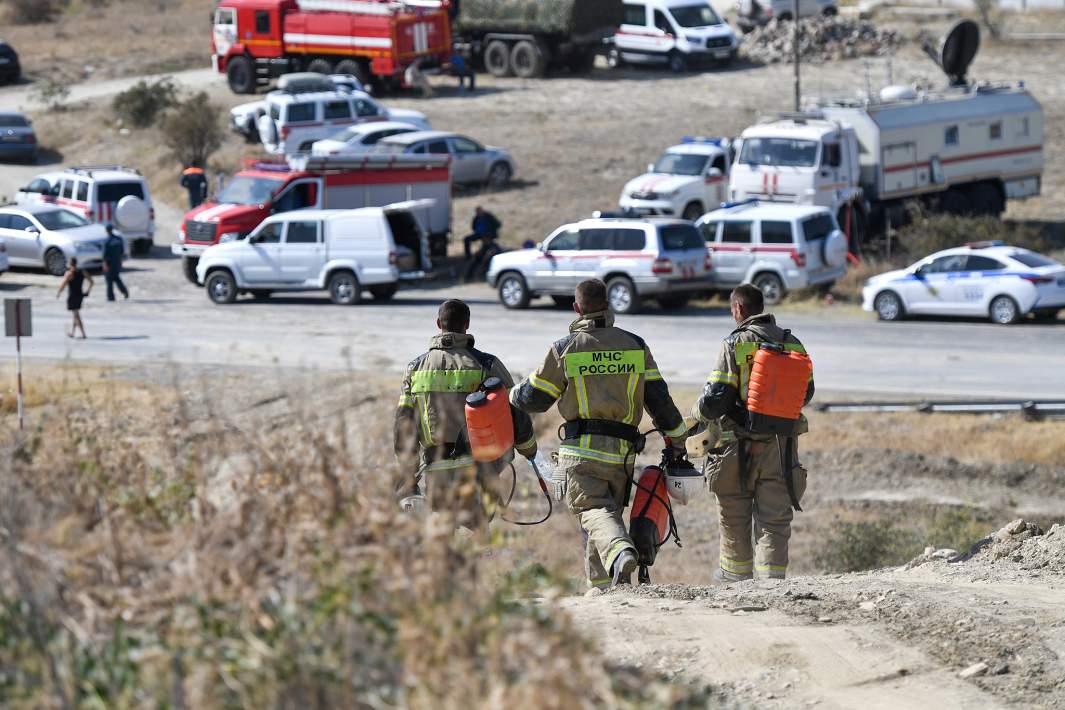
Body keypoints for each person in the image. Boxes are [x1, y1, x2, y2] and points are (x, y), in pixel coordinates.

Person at [511, 279, 689, 592]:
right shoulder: (635, 345)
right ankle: (606, 590)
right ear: (608, 305)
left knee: (592, 511)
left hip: (581, 452)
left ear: (577, 308)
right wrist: (677, 439)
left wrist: (511, 394)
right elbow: (660, 401)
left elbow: (535, 399)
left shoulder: (565, 348)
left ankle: (620, 551)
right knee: (604, 518)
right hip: (622, 455)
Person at [693, 284, 815, 582]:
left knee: (734, 517)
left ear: (738, 309)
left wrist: (697, 414)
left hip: (736, 448)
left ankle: (736, 583)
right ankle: (772, 585)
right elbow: (807, 392)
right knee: (774, 522)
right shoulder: (793, 342)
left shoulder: (735, 343)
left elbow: (717, 397)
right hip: (781, 447)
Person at [394, 299, 538, 533]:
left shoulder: (415, 368)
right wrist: (529, 449)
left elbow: (403, 425)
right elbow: (515, 411)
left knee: (443, 534)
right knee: (478, 534)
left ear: (438, 323)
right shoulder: (486, 364)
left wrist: (408, 477)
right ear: (467, 325)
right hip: (479, 468)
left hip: (436, 469)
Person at [56, 257, 93, 339]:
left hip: (72, 296)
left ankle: (83, 334)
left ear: (70, 264)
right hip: (80, 295)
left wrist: (59, 292)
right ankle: (73, 333)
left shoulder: (69, 273)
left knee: (76, 315)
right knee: (75, 314)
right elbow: (91, 281)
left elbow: (63, 284)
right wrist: (88, 291)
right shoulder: (82, 271)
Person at [102, 224, 129, 301]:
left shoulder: (107, 241)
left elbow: (104, 255)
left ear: (107, 231)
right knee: (116, 278)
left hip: (109, 263)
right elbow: (122, 251)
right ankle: (124, 291)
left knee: (109, 280)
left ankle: (111, 297)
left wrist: (105, 265)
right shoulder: (119, 239)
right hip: (117, 262)